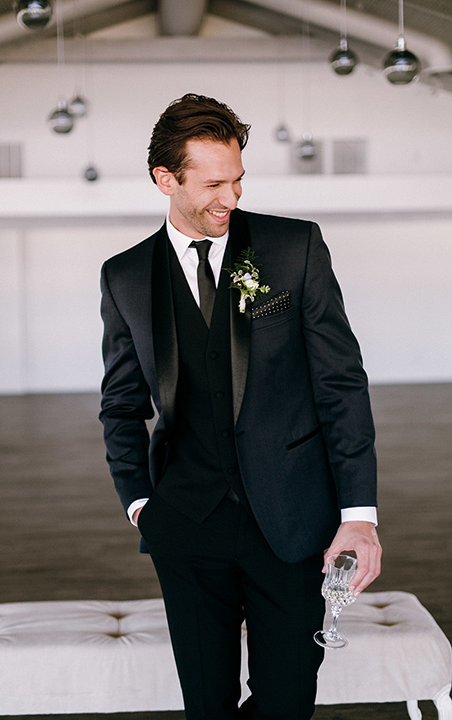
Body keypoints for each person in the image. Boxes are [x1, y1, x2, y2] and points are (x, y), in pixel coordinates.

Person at [99, 93, 382, 720]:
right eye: (214, 184)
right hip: (184, 524)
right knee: (207, 705)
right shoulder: (124, 276)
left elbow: (341, 383)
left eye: (239, 180)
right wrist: (142, 505)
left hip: (291, 520)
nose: (231, 197)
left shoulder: (294, 248)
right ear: (165, 179)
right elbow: (120, 406)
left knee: (286, 702)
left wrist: (359, 515)